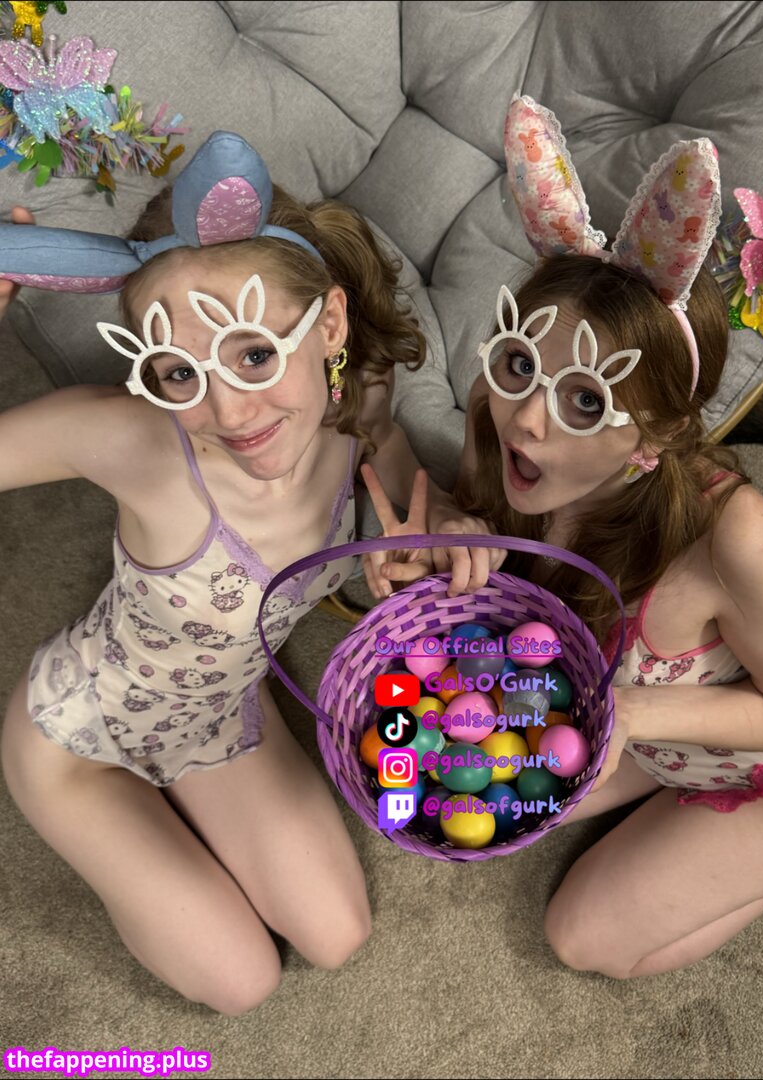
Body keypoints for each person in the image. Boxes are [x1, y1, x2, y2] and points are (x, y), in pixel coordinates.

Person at [0, 132, 492, 1013]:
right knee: (243, 982)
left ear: (329, 325)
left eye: (255, 354)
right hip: (80, 736)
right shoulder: (130, 440)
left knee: (336, 937)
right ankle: (116, 836)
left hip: (218, 712)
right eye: (179, 373)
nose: (229, 410)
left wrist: (444, 513)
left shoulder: (357, 398)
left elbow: (395, 461)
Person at [374, 97, 763, 978]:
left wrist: (632, 714)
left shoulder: (733, 535)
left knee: (584, 938)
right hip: (645, 736)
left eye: (584, 400)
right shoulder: (503, 422)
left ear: (654, 437)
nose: (528, 417)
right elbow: (443, 487)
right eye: (520, 363)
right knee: (479, 793)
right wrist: (453, 523)